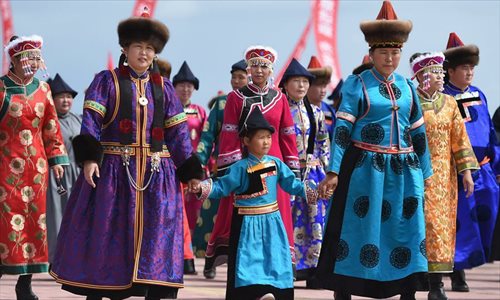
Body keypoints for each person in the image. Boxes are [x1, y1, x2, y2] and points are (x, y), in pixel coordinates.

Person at [50, 9, 203, 300]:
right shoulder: (105, 81)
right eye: (138, 47)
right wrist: (91, 158)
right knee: (108, 238)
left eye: (149, 49)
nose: (144, 53)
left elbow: (178, 136)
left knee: (158, 241)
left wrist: (192, 173)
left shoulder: (165, 89)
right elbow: (91, 123)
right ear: (125, 49)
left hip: (157, 178)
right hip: (114, 176)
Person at [316, 2, 433, 299]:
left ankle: (408, 290)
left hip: (405, 170)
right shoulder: (358, 84)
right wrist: (333, 171)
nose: (390, 58)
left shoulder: (408, 86)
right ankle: (346, 290)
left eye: (395, 53)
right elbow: (342, 132)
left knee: (406, 230)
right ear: (371, 54)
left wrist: (426, 172)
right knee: (359, 231)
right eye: (384, 53)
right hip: (366, 170)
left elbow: (418, 131)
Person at [191, 107, 316, 300]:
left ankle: (275, 291)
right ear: (246, 141)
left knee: (275, 257)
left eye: (268, 137)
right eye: (260, 137)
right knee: (249, 260)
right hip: (246, 223)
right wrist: (202, 188)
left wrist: (312, 191)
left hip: (273, 222)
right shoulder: (239, 168)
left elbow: (292, 184)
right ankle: (254, 294)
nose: (266, 141)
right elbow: (222, 187)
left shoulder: (276, 164)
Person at [204, 46, 300, 276]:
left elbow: (287, 134)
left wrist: (293, 169)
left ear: (272, 70)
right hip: (246, 164)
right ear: (248, 69)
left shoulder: (280, 98)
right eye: (254, 65)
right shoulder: (235, 98)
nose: (259, 70)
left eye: (264, 66)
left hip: (275, 165)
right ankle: (244, 264)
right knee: (240, 214)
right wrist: (234, 172)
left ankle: (279, 265)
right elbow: (228, 133)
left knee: (278, 213)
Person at [0, 34, 68, 300]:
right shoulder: (2, 89)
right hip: (5, 169)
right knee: (6, 224)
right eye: (28, 59)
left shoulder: (43, 90)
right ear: (14, 61)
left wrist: (57, 159)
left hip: (36, 172)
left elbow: (51, 127)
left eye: (36, 59)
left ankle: (25, 284)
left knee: (33, 226)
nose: (33, 63)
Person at [410, 51, 479, 300]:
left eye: (441, 72)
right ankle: (411, 281)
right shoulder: (410, 102)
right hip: (413, 174)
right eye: (434, 73)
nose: (440, 77)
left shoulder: (450, 104)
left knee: (440, 228)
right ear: (421, 77)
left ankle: (436, 285)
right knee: (415, 226)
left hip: (443, 177)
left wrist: (466, 172)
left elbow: (460, 140)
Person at [442, 32, 500, 292]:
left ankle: (474, 261)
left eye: (472, 68)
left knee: (487, 218)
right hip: (455, 170)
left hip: (483, 170)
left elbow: (489, 132)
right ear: (450, 70)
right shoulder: (443, 97)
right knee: (458, 223)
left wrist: (496, 164)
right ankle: (457, 271)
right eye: (464, 68)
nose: (469, 73)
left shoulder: (480, 94)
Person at [194, 59, 248, 279]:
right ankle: (210, 261)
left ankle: (243, 266)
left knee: (247, 220)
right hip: (224, 171)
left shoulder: (258, 103)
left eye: (241, 77)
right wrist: (199, 161)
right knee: (216, 218)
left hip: (251, 171)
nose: (236, 81)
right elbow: (207, 135)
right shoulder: (222, 104)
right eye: (234, 77)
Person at [279, 58, 330, 287]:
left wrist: (328, 172)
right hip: (286, 173)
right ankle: (288, 267)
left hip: (311, 172)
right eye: (295, 81)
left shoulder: (317, 113)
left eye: (304, 81)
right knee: (287, 218)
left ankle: (312, 269)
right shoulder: (279, 110)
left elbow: (323, 142)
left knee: (314, 220)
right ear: (285, 84)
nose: (301, 86)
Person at [45, 73, 82, 264]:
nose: (66, 100)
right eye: (61, 96)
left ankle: (76, 258)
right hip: (56, 178)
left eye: (69, 96)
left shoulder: (78, 119)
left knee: (78, 216)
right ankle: (56, 259)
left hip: (78, 175)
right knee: (56, 217)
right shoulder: (48, 121)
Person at [306, 56, 335, 141]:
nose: (323, 91)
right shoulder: (298, 109)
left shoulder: (330, 111)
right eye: (319, 85)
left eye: (325, 86)